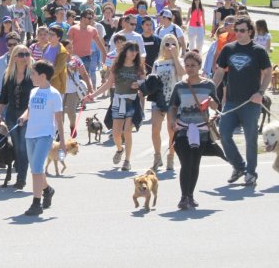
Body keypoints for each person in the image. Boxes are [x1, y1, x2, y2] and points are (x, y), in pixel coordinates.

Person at [213, 16, 272, 186]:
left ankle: (251, 173)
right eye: (236, 30)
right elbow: (219, 72)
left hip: (251, 103)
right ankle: (239, 166)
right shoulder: (228, 49)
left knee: (250, 139)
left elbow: (268, 72)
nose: (238, 34)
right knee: (223, 134)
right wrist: (210, 89)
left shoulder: (258, 51)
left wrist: (260, 92)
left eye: (242, 31)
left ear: (250, 32)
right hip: (231, 101)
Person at [168, 51, 220, 209]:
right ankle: (184, 197)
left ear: (199, 66)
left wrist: (211, 102)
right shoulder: (180, 86)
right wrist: (171, 120)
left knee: (195, 163)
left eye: (193, 65)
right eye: (187, 65)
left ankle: (190, 195)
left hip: (201, 130)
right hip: (183, 129)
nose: (190, 68)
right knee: (186, 162)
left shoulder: (208, 85)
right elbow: (173, 106)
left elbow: (216, 105)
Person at [87, 41, 145, 171]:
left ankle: (127, 160)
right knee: (116, 133)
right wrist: (92, 95)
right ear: (125, 51)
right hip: (118, 101)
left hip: (131, 101)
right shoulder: (117, 66)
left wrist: (139, 85)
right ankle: (120, 149)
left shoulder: (138, 67)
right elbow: (108, 84)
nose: (134, 53)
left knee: (127, 131)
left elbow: (145, 81)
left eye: (136, 51)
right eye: (131, 50)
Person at [18, 60, 65, 216]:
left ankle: (36, 203)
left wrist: (63, 143)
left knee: (36, 169)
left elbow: (59, 119)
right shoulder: (33, 91)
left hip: (45, 134)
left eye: (33, 73)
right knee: (36, 169)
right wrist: (23, 117)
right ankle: (47, 190)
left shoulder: (54, 94)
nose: (31, 76)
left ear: (43, 76)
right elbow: (30, 109)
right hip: (30, 134)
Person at [0, 44, 34, 190]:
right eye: (22, 54)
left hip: (28, 115)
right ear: (15, 57)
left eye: (27, 54)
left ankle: (21, 178)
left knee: (23, 147)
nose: (25, 57)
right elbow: (3, 98)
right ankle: (20, 168)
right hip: (11, 115)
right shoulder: (8, 74)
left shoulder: (33, 74)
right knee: (17, 147)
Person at [150, 35, 185, 172]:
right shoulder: (157, 62)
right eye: (167, 44)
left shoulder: (179, 60)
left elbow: (182, 74)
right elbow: (152, 79)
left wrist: (175, 57)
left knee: (171, 130)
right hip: (158, 99)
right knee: (155, 128)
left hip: (172, 100)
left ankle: (171, 156)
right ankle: (157, 157)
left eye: (173, 44)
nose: (170, 46)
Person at [68, 10, 107, 88]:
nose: (91, 20)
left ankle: (86, 94)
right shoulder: (73, 29)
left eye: (92, 18)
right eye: (89, 18)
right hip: (75, 58)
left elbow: (99, 43)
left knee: (85, 77)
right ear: (82, 18)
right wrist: (68, 56)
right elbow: (68, 44)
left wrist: (105, 55)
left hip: (87, 57)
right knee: (74, 77)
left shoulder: (93, 30)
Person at [63, 40, 93, 135]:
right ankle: (59, 132)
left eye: (71, 47)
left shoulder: (76, 59)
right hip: (60, 89)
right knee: (59, 112)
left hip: (72, 89)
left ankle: (72, 126)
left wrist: (89, 87)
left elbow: (84, 73)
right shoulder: (57, 59)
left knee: (71, 111)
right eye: (68, 47)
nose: (71, 50)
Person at [43, 26, 68, 96]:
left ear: (58, 38)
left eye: (52, 34)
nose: (49, 36)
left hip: (56, 85)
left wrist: (45, 78)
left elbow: (58, 69)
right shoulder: (46, 46)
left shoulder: (62, 51)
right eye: (49, 33)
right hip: (44, 83)